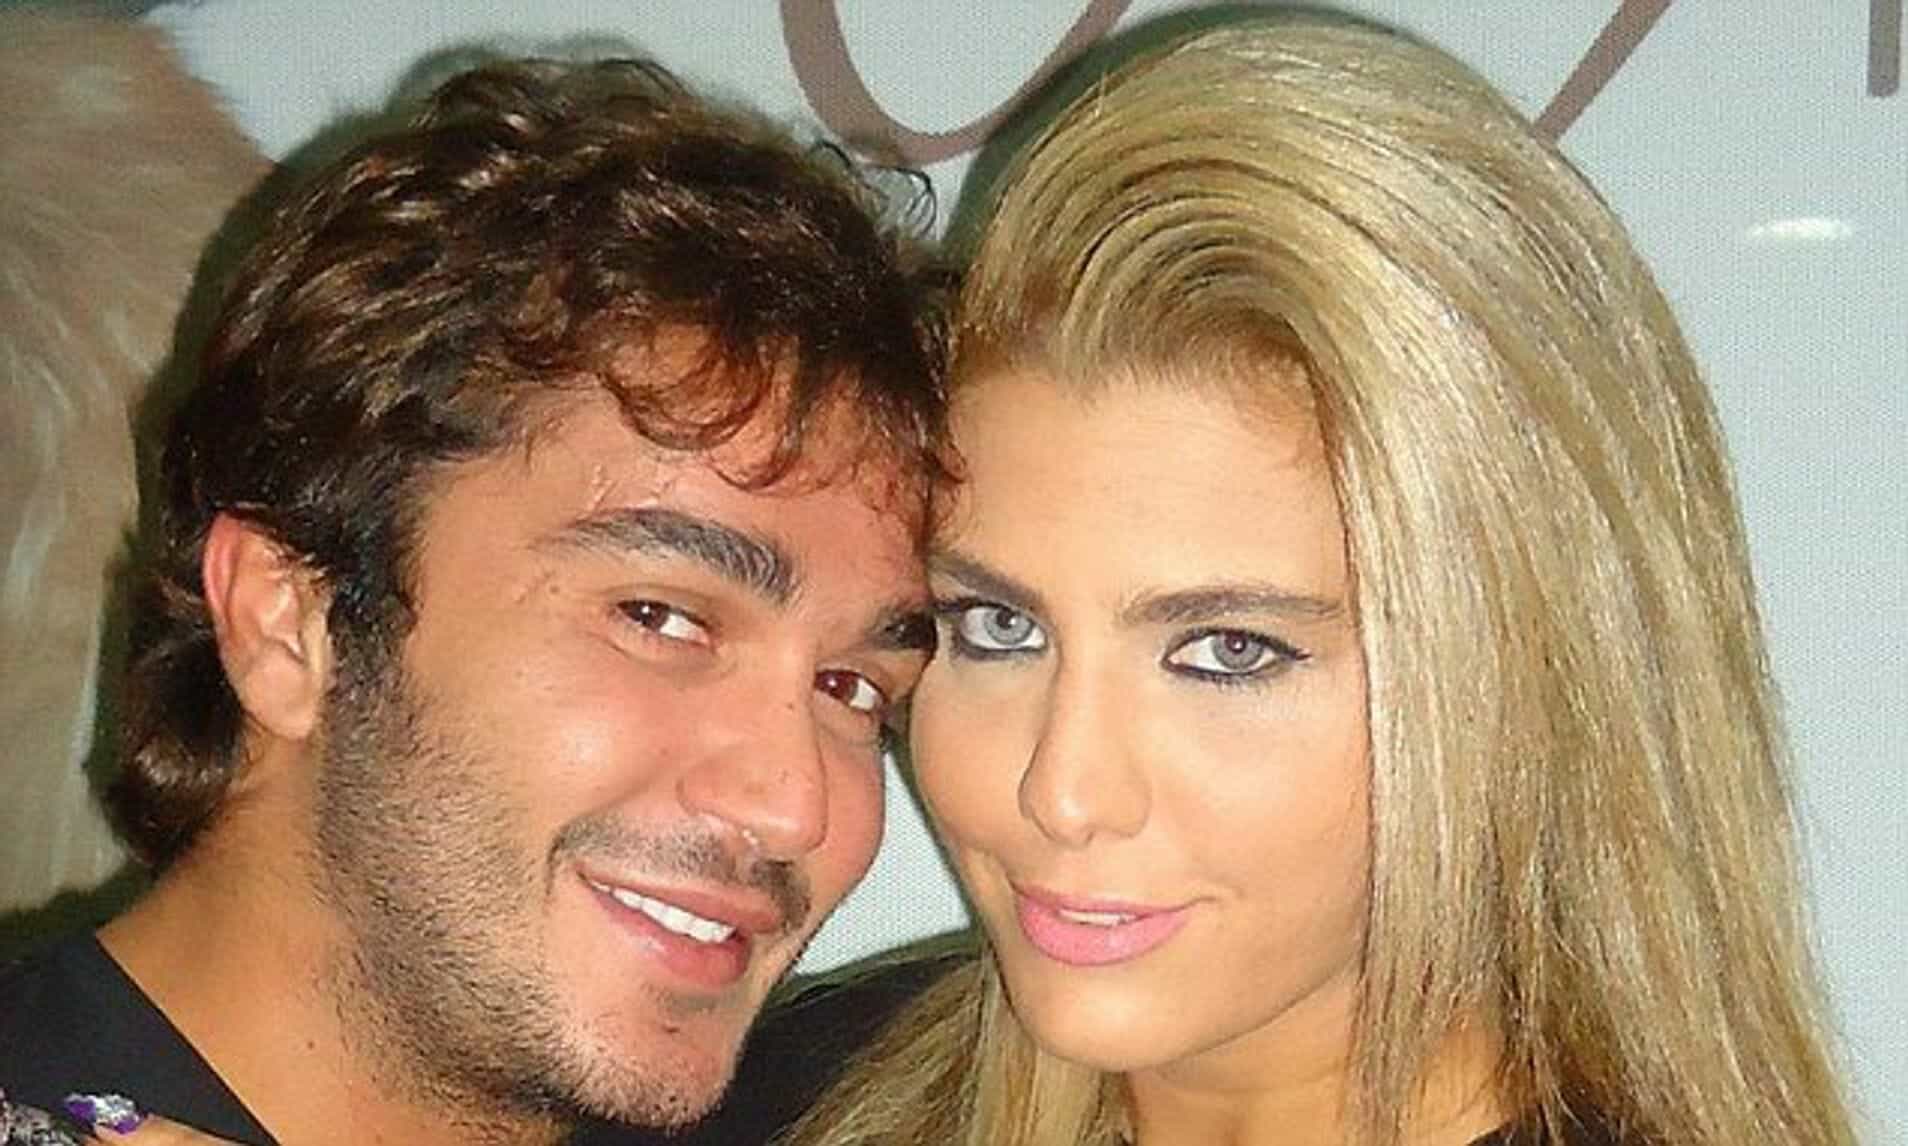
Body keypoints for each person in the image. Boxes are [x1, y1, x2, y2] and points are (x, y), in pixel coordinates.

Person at [769, 12, 1855, 1146]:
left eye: (1229, 653)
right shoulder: (783, 1087)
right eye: (998, 626)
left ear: (1524, 683)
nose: (1063, 792)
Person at [0, 53, 948, 1146]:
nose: (795, 805)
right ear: (285, 623)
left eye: (852, 688)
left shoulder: (868, 1105)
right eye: (661, 618)